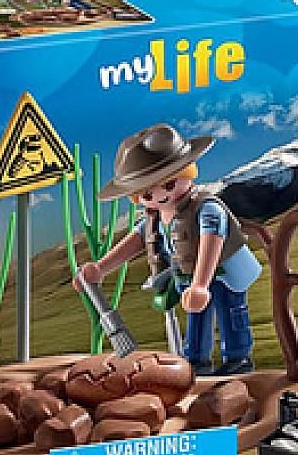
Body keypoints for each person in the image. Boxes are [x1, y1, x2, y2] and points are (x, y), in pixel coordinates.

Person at [74, 123, 261, 375]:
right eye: (147, 194)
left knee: (230, 311)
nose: (159, 195)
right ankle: (196, 360)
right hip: (189, 275)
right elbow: (136, 240)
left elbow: (212, 241)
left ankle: (238, 358)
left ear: (187, 171)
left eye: (169, 184)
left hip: (225, 272)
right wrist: (100, 268)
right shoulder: (156, 216)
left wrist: (201, 284)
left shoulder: (207, 207)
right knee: (196, 316)